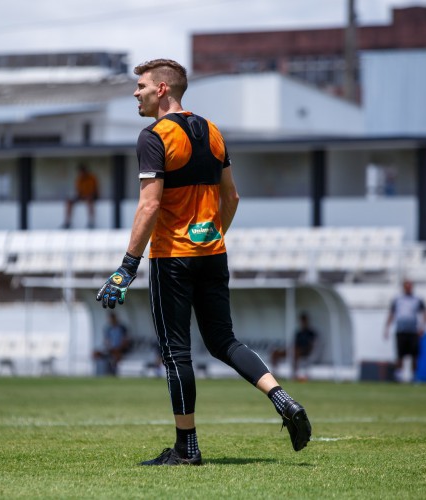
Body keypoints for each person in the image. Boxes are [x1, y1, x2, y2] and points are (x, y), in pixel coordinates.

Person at [95, 58, 311, 466]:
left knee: (176, 353)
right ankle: (281, 398)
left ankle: (187, 449)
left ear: (162, 89)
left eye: (140, 86)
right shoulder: (212, 131)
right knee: (224, 341)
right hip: (213, 253)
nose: (135, 93)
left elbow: (150, 206)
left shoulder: (153, 136)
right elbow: (232, 198)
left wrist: (127, 267)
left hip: (172, 258)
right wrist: (213, 236)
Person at [384, 279, 426, 382]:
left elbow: (424, 313)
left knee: (414, 355)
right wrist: (387, 328)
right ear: (403, 287)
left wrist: (423, 327)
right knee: (400, 354)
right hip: (401, 330)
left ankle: (413, 376)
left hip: (413, 331)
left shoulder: (418, 299)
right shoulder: (397, 299)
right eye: (406, 286)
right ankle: (399, 376)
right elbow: (392, 314)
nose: (408, 288)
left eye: (409, 286)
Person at [270, 312, 319, 381]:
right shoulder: (298, 333)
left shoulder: (311, 333)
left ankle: (294, 374)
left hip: (304, 351)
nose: (303, 323)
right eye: (302, 321)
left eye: (304, 321)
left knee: (296, 352)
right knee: (275, 352)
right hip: (294, 349)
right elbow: (293, 343)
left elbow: (312, 345)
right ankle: (274, 373)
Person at [62, 164, 99, 229]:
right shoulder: (79, 179)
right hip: (81, 196)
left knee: (89, 201)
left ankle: (91, 222)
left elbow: (95, 190)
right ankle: (67, 222)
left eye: (82, 171)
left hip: (91, 196)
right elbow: (78, 191)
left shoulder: (92, 178)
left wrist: (90, 195)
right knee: (69, 202)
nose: (81, 173)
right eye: (80, 172)